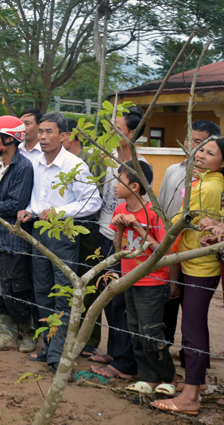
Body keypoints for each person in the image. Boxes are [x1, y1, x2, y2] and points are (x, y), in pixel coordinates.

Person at [18, 112, 102, 373]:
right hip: (38, 231)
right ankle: (48, 347)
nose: (42, 137)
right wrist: (29, 210)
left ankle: (58, 355)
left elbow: (93, 201)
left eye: (49, 132)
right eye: (40, 131)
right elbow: (37, 198)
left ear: (64, 136)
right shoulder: (35, 162)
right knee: (42, 291)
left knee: (63, 293)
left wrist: (59, 212)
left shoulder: (74, 165)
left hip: (63, 235)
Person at [151, 137, 224, 416]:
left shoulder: (209, 185)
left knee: (192, 329)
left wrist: (159, 246)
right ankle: (199, 383)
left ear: (223, 162)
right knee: (196, 326)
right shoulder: (205, 181)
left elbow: (181, 220)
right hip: (198, 260)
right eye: (201, 150)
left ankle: (190, 396)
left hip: (198, 265)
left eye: (210, 152)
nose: (202, 155)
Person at [109, 161, 176, 396]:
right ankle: (147, 378)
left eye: (119, 180)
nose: (114, 185)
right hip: (129, 279)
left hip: (151, 282)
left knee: (151, 332)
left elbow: (164, 252)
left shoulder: (154, 214)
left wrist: (137, 227)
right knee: (135, 329)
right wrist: (119, 228)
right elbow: (118, 250)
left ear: (135, 186)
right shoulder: (119, 211)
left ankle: (167, 377)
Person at [90, 107, 148, 379]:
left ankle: (124, 362)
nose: (112, 133)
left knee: (121, 300)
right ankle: (114, 351)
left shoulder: (139, 167)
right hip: (105, 232)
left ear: (132, 134)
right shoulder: (108, 160)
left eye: (118, 129)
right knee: (110, 298)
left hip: (124, 239)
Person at [158, 120, 220, 348]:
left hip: (198, 255)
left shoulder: (214, 182)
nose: (192, 147)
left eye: (200, 143)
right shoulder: (173, 171)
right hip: (172, 248)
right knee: (168, 303)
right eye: (188, 139)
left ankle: (191, 361)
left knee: (193, 315)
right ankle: (164, 353)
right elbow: (163, 208)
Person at [0, 116, 35, 353]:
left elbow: (16, 204)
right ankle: (7, 335)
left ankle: (29, 333)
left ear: (10, 139)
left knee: (16, 287)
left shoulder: (23, 167)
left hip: (13, 239)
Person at [62, 118, 105, 357]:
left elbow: (94, 200)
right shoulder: (63, 159)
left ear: (70, 135)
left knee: (88, 283)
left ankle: (89, 339)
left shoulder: (90, 159)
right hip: (69, 228)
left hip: (89, 228)